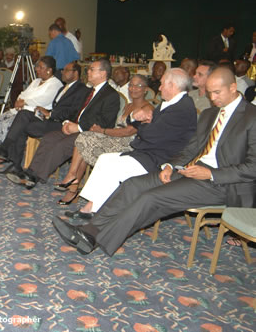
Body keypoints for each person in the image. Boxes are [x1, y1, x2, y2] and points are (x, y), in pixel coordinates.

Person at [52, 68, 256, 256]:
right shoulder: (211, 114)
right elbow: (192, 148)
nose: (213, 98)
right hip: (192, 171)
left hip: (222, 183)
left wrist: (211, 174)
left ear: (233, 87)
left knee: (151, 198)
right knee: (133, 184)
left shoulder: (251, 117)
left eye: (218, 92)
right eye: (210, 93)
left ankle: (93, 240)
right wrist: (170, 165)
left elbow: (253, 167)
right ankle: (89, 230)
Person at [69, 68, 198, 216]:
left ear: (173, 86)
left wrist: (140, 122)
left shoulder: (181, 109)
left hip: (159, 160)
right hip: (147, 152)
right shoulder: (171, 103)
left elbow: (150, 135)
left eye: (162, 84)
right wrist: (138, 119)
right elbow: (143, 126)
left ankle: (96, 211)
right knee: (104, 159)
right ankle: (92, 206)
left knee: (113, 167)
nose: (160, 87)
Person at [8, 59, 120, 188]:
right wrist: (67, 123)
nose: (87, 71)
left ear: (103, 73)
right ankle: (31, 172)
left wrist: (78, 127)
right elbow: (76, 111)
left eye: (91, 69)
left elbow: (104, 122)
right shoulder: (90, 91)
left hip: (91, 134)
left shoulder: (111, 95)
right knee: (50, 138)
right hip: (75, 127)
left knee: (61, 145)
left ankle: (34, 177)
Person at [55, 74, 154, 205]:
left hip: (130, 144)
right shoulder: (128, 105)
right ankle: (73, 183)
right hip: (115, 137)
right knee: (85, 140)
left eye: (138, 86)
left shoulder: (147, 108)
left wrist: (102, 131)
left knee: (85, 141)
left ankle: (72, 181)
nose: (133, 89)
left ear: (145, 89)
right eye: (131, 85)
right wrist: (100, 131)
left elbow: (129, 131)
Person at [0, 57, 65, 150]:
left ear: (49, 70)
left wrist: (24, 102)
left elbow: (42, 100)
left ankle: (5, 150)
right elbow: (23, 93)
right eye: (37, 66)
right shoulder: (36, 81)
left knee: (6, 125)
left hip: (37, 114)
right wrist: (19, 101)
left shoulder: (55, 84)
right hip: (23, 109)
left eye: (40, 67)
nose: (36, 69)